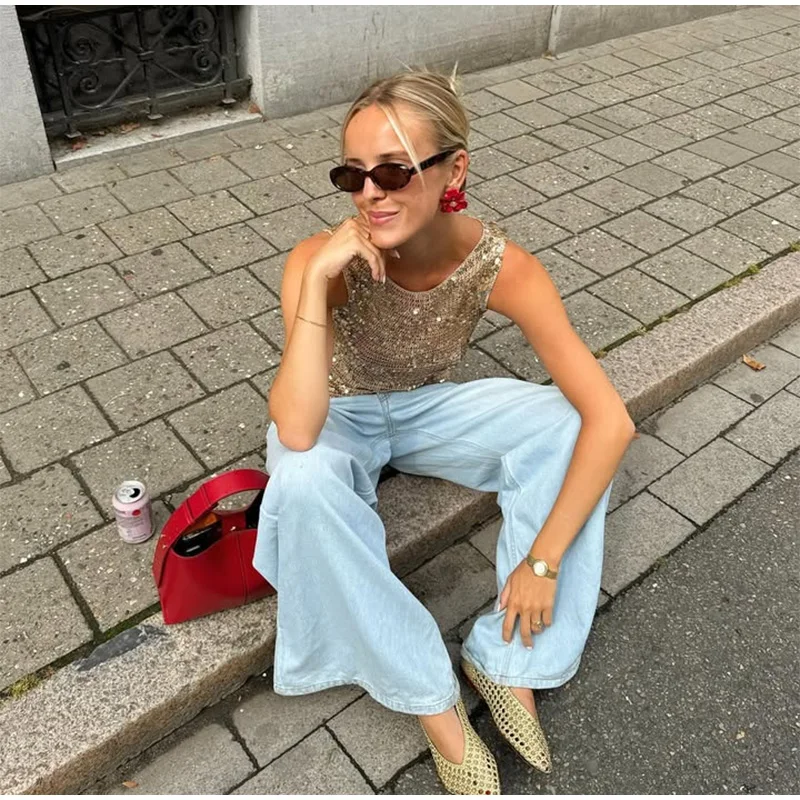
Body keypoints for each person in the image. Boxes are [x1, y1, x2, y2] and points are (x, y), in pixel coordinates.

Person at [253, 64, 636, 795]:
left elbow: (610, 421)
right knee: (299, 482)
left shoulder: (500, 265)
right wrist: (315, 280)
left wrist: (542, 562)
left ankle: (509, 662)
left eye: (394, 171)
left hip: (426, 407)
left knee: (564, 424)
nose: (370, 193)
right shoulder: (320, 260)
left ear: (453, 169)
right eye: (353, 174)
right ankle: (430, 696)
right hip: (338, 414)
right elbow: (297, 429)